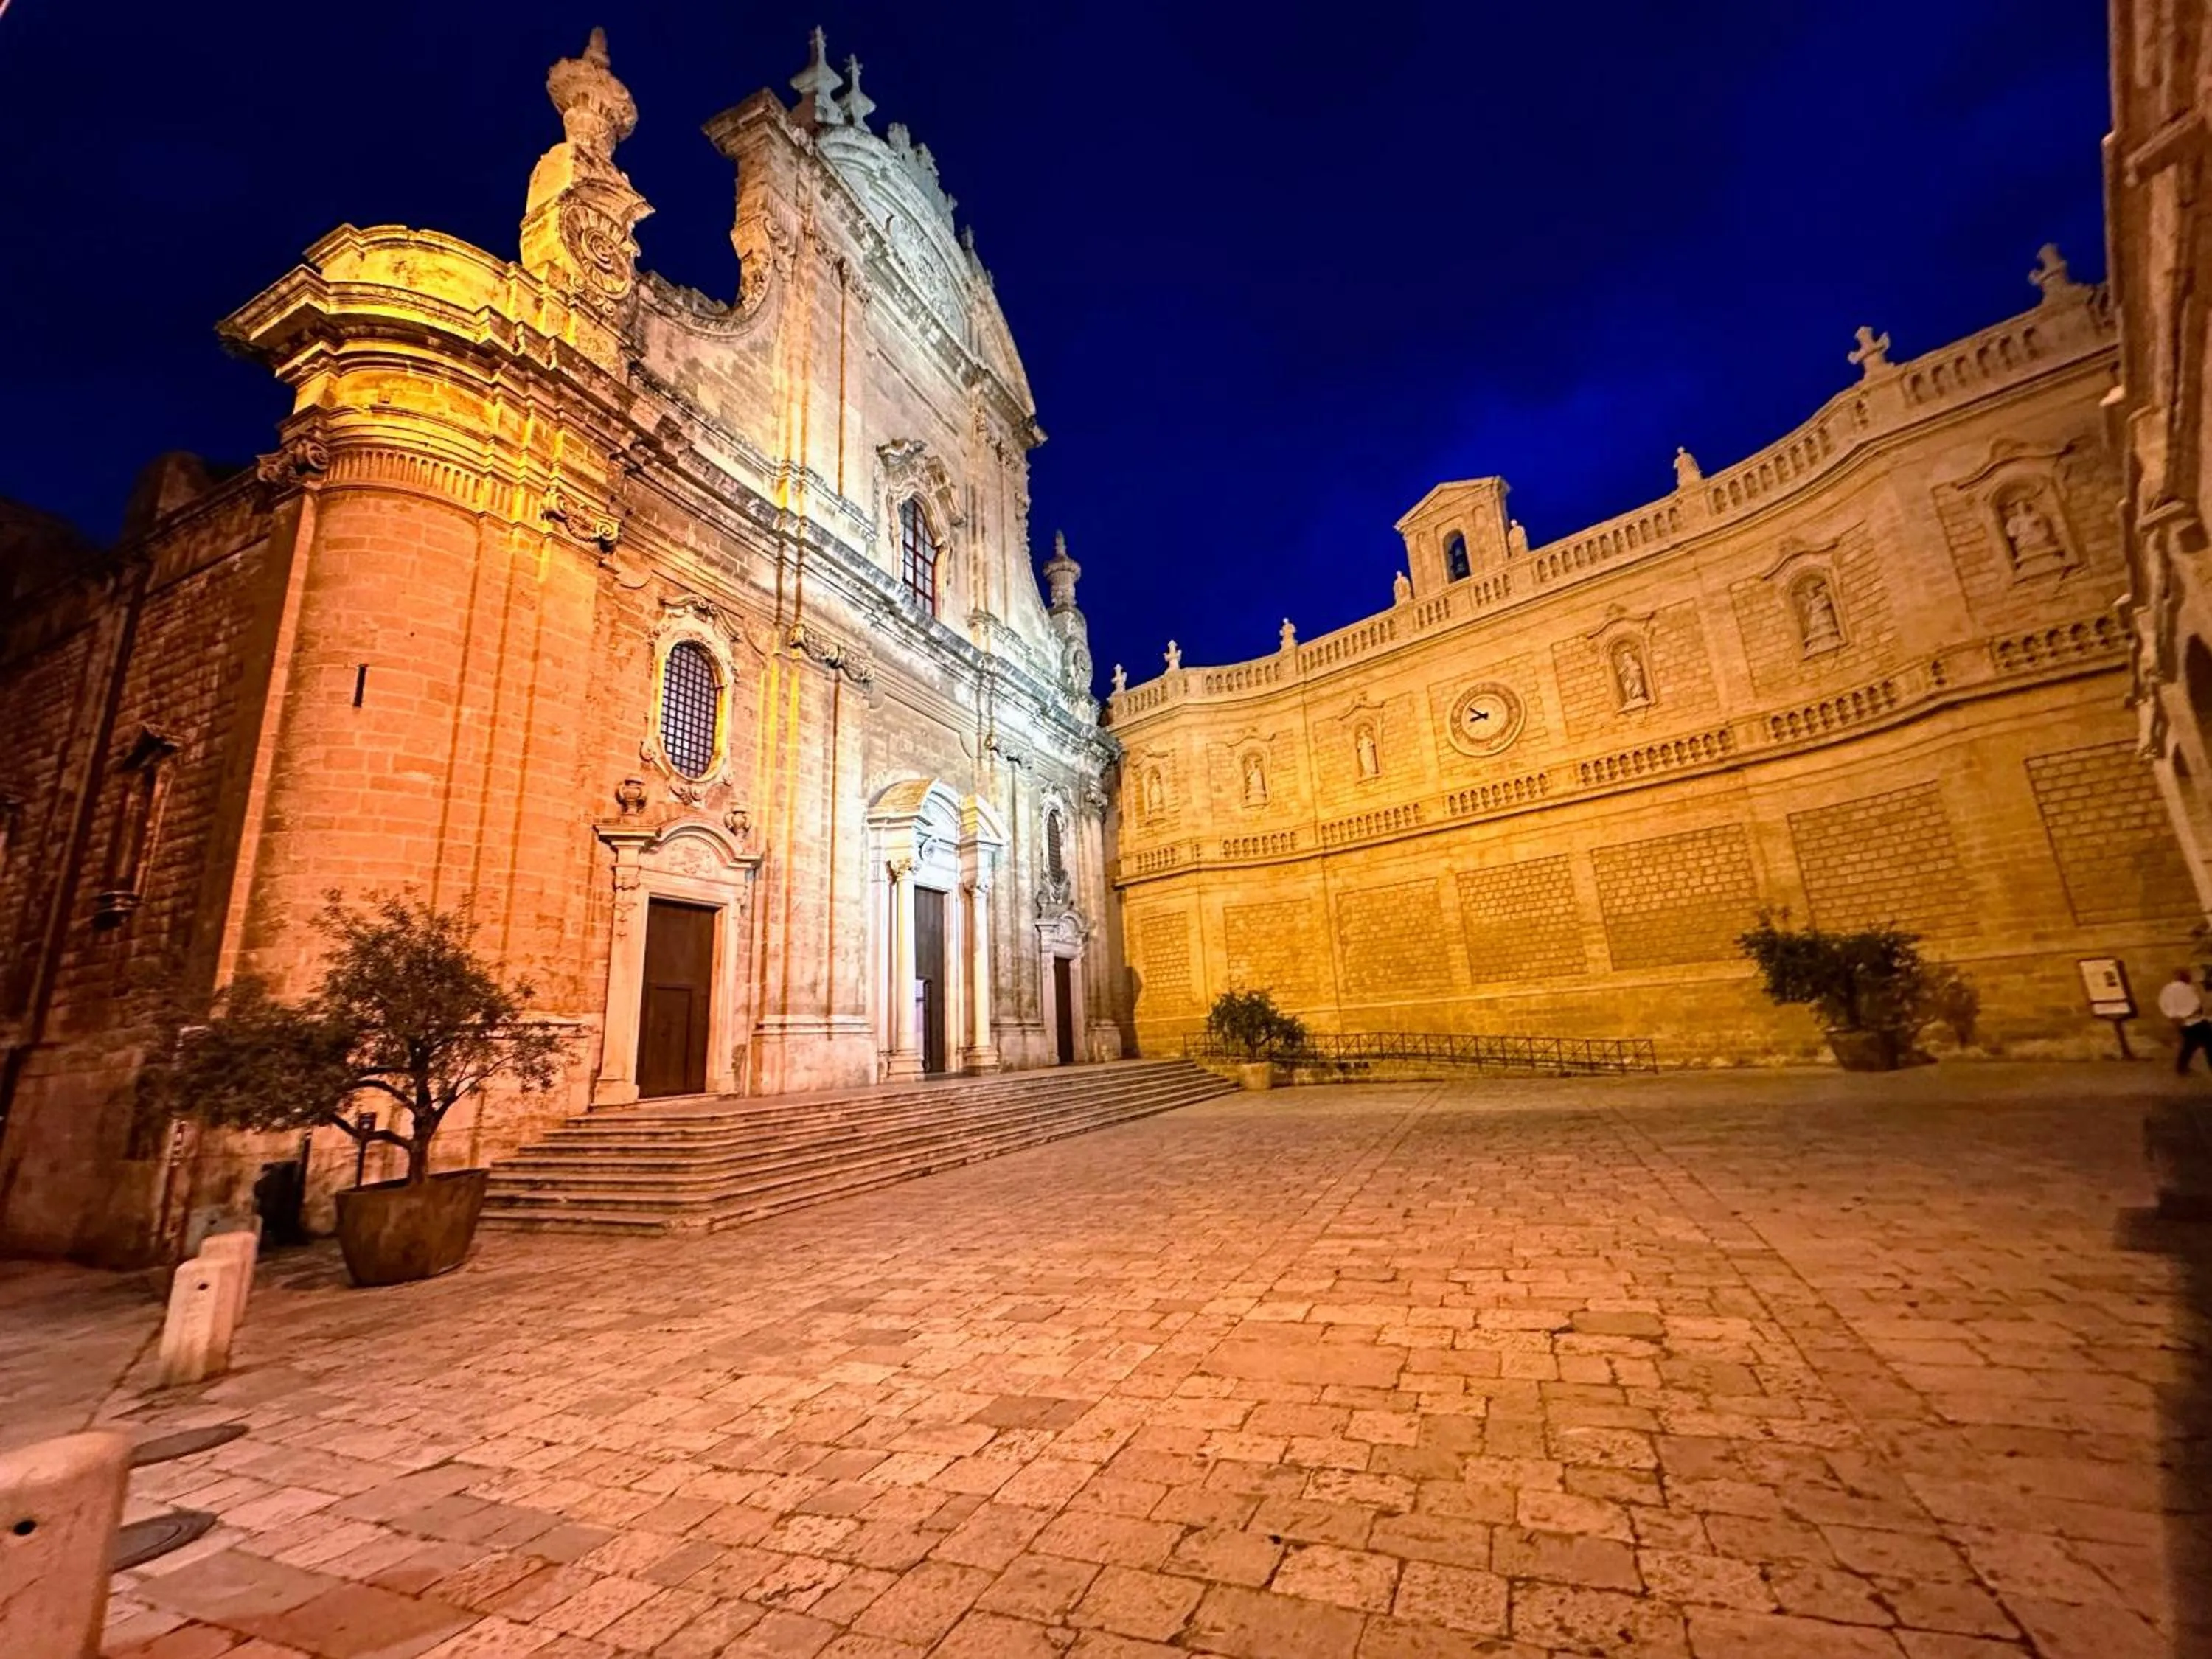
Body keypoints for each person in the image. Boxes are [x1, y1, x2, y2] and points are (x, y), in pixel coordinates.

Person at [2160, 968, 2212, 1074]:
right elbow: (2196, 1004)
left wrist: (2173, 1016)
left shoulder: (2167, 989)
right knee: (2209, 1044)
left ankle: (2181, 1068)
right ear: (2184, 976)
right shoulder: (2188, 988)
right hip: (2195, 1020)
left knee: (2190, 1045)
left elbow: (2163, 1004)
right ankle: (2182, 1068)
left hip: (2181, 1022)